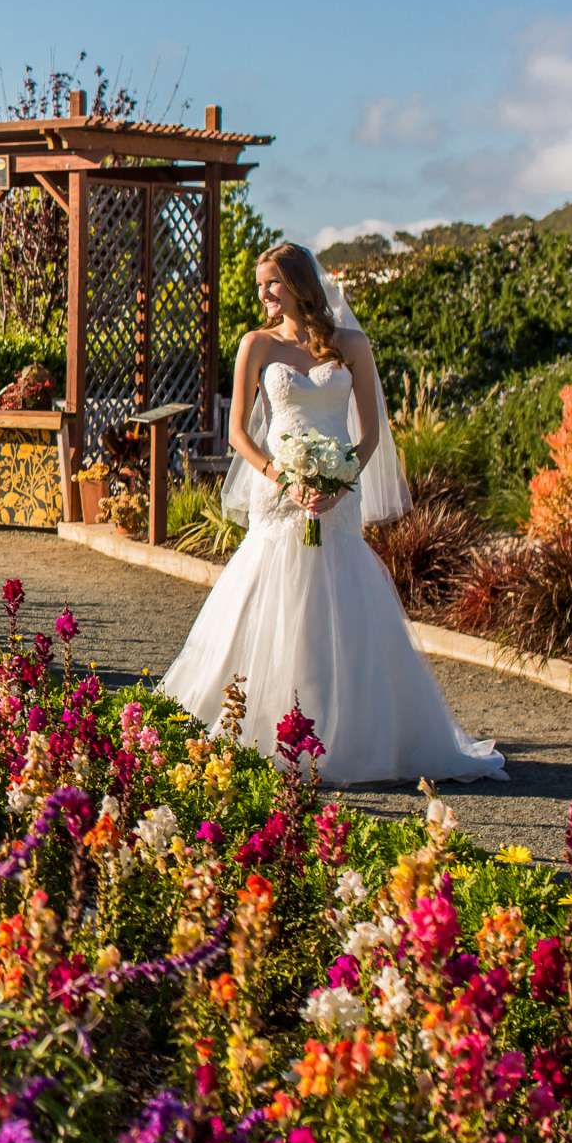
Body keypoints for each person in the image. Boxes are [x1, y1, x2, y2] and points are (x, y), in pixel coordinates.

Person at [160, 241, 504, 784]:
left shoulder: (351, 345)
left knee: (339, 604)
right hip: (279, 495)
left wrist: (341, 482)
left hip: (339, 497)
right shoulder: (256, 344)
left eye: (271, 282)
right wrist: (281, 477)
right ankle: (263, 725)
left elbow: (371, 433)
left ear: (298, 283)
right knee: (273, 600)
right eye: (259, 286)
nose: (264, 295)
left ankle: (348, 735)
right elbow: (237, 435)